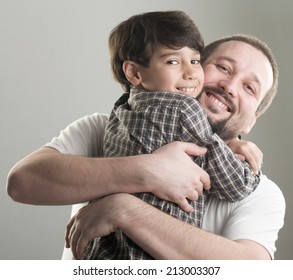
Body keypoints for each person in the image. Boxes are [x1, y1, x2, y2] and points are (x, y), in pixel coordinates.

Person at [6, 27, 285, 260]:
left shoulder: (260, 192)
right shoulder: (104, 129)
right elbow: (22, 182)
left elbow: (251, 268)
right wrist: (148, 170)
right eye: (223, 67)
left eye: (249, 87)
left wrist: (123, 210)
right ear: (193, 68)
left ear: (251, 122)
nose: (230, 85)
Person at [82, 11, 261, 260]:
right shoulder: (184, 109)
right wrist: (250, 172)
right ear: (134, 73)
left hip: (102, 253)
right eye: (173, 62)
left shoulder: (121, 109)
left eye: (195, 61)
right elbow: (236, 185)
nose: (190, 73)